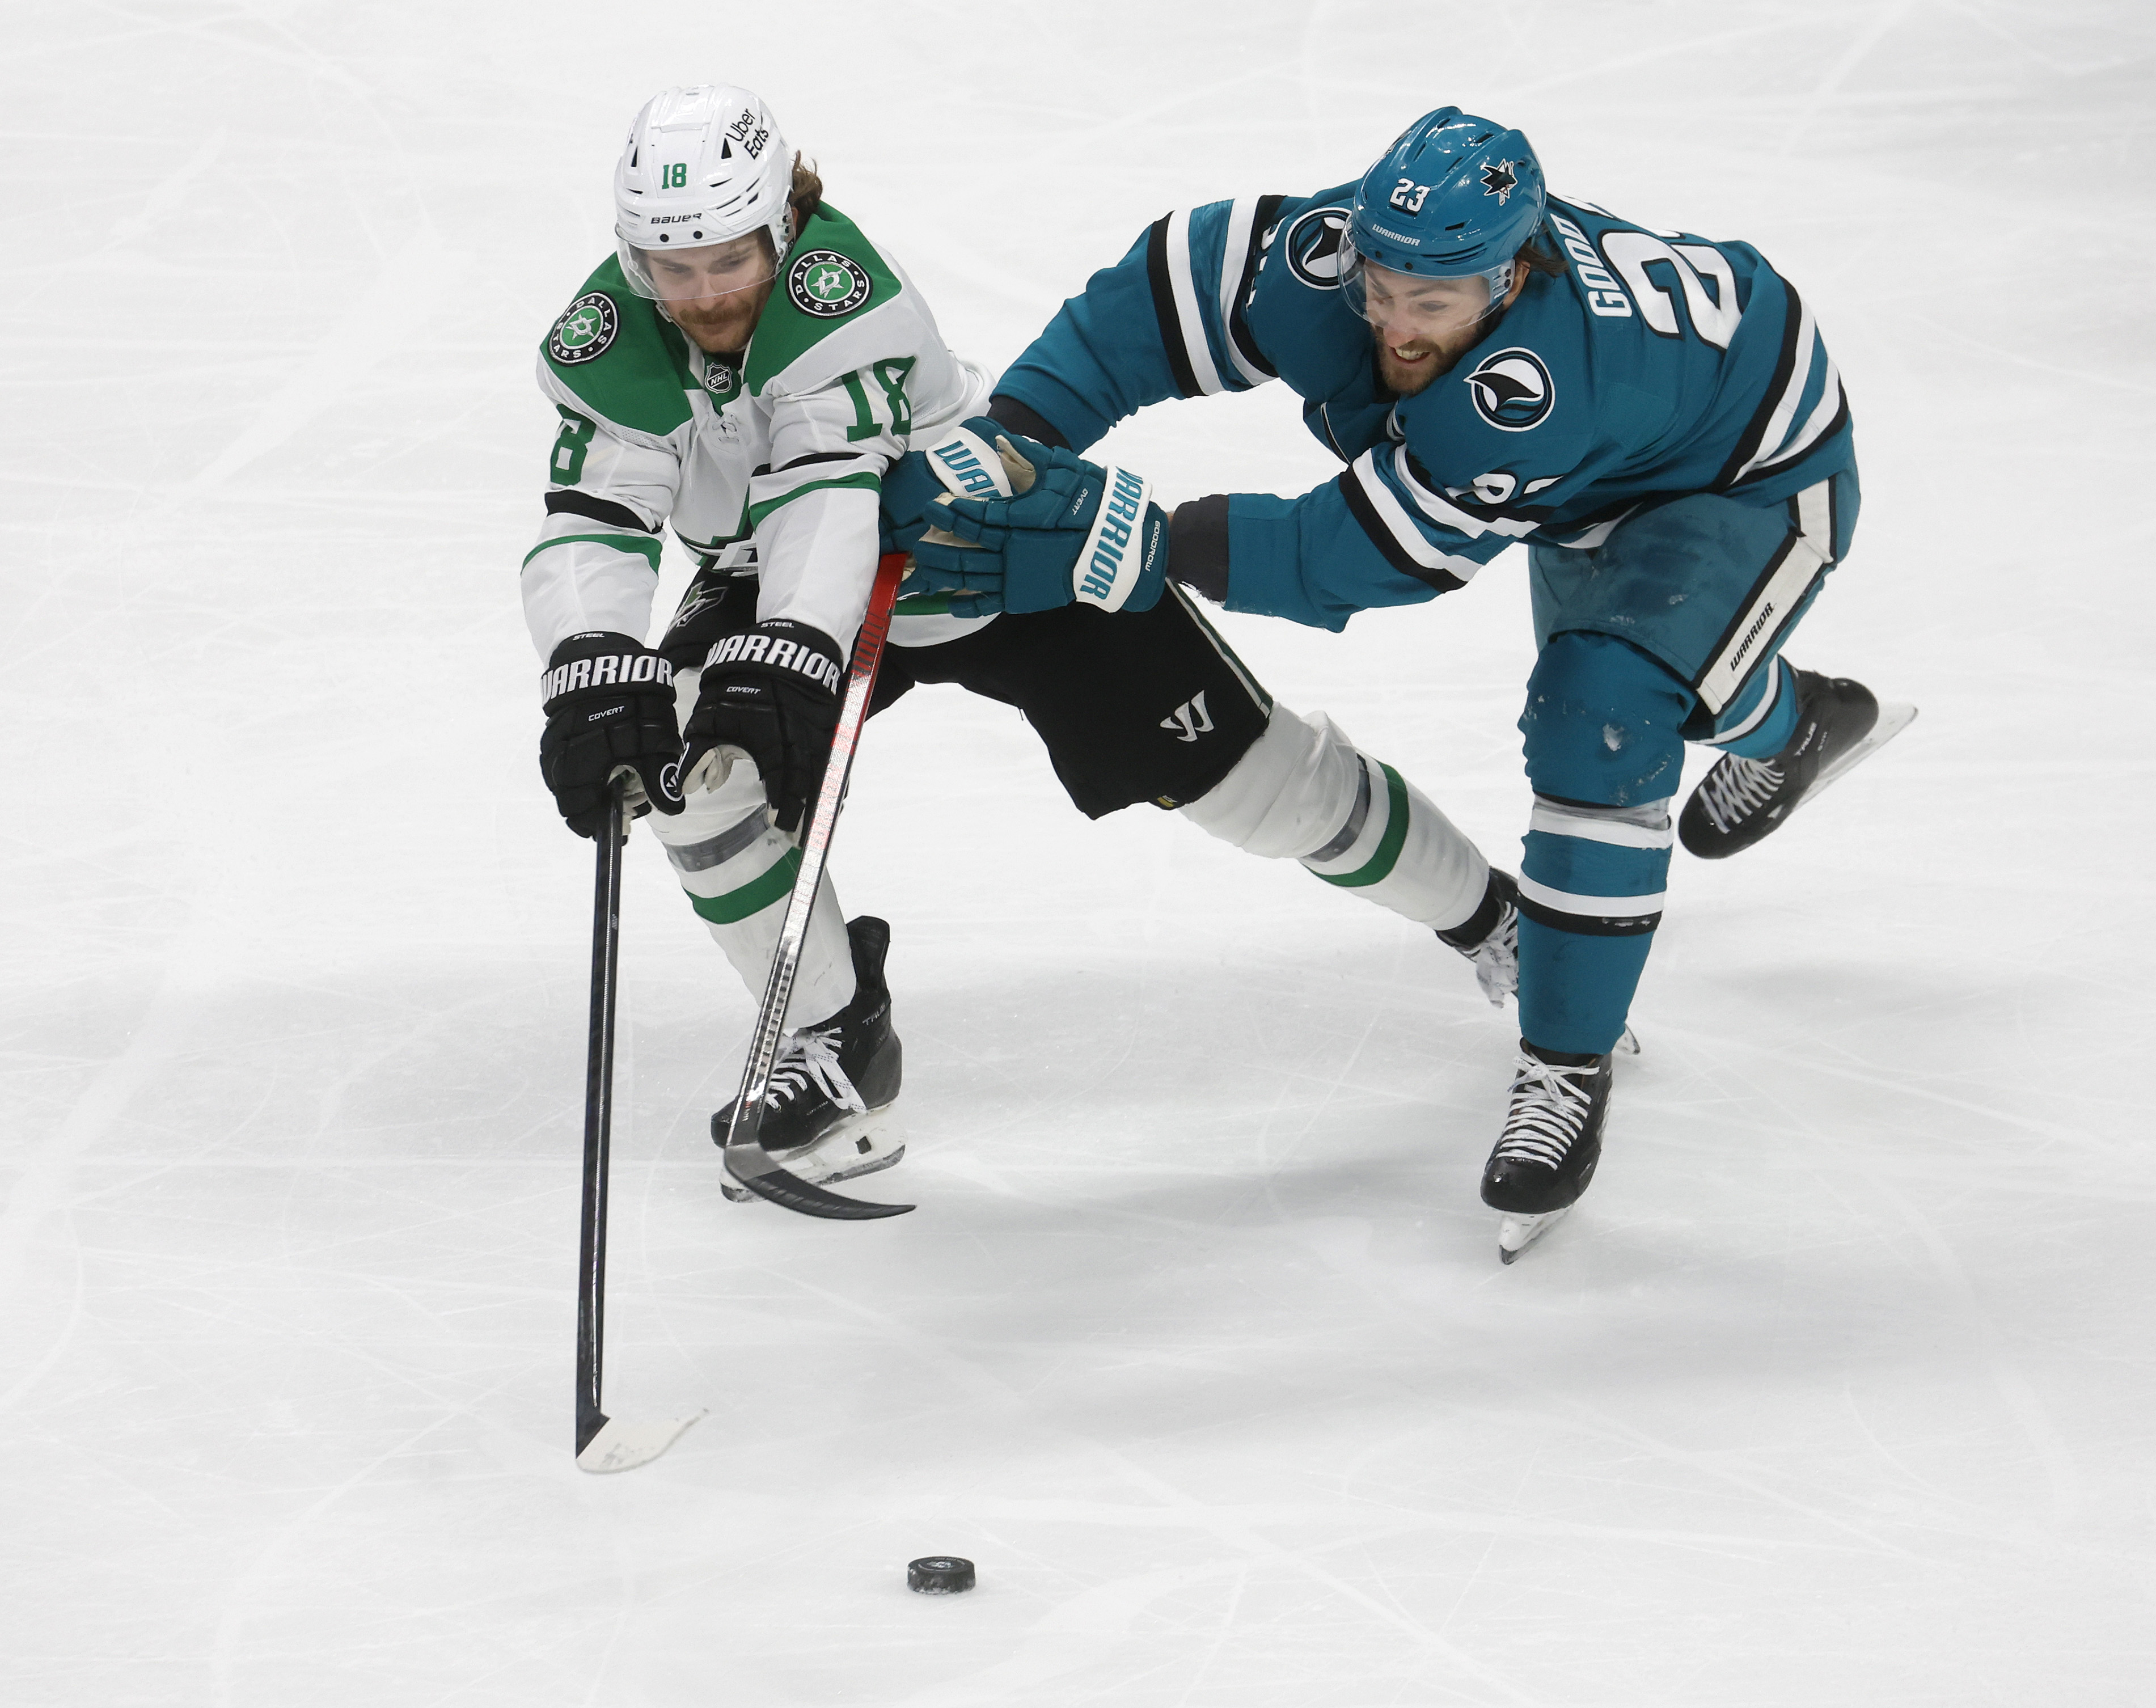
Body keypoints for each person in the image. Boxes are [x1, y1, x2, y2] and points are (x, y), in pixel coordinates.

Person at [909, 107, 1911, 1257]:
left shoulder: (1529, 394)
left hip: (1748, 475)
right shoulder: (1344, 258)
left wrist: (1142, 540)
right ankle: (1779, 729)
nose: (1389, 323)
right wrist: (1009, 442)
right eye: (1381, 285)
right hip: (1621, 461)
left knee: (1603, 718)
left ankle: (1563, 1068)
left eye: (1428, 303)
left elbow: (1368, 557)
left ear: (1513, 271)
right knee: (1668, 686)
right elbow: (1162, 296)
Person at [524, 86, 1523, 1198]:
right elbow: (596, 512)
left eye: (731, 257)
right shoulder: (612, 327)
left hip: (995, 558)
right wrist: (589, 663)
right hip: (784, 573)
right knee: (696, 777)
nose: (705, 294)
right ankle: (837, 1051)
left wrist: (791, 650)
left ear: (785, 224)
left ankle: (1496, 919)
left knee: (1265, 793)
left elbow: (828, 496)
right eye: (676, 267)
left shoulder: (841, 291)